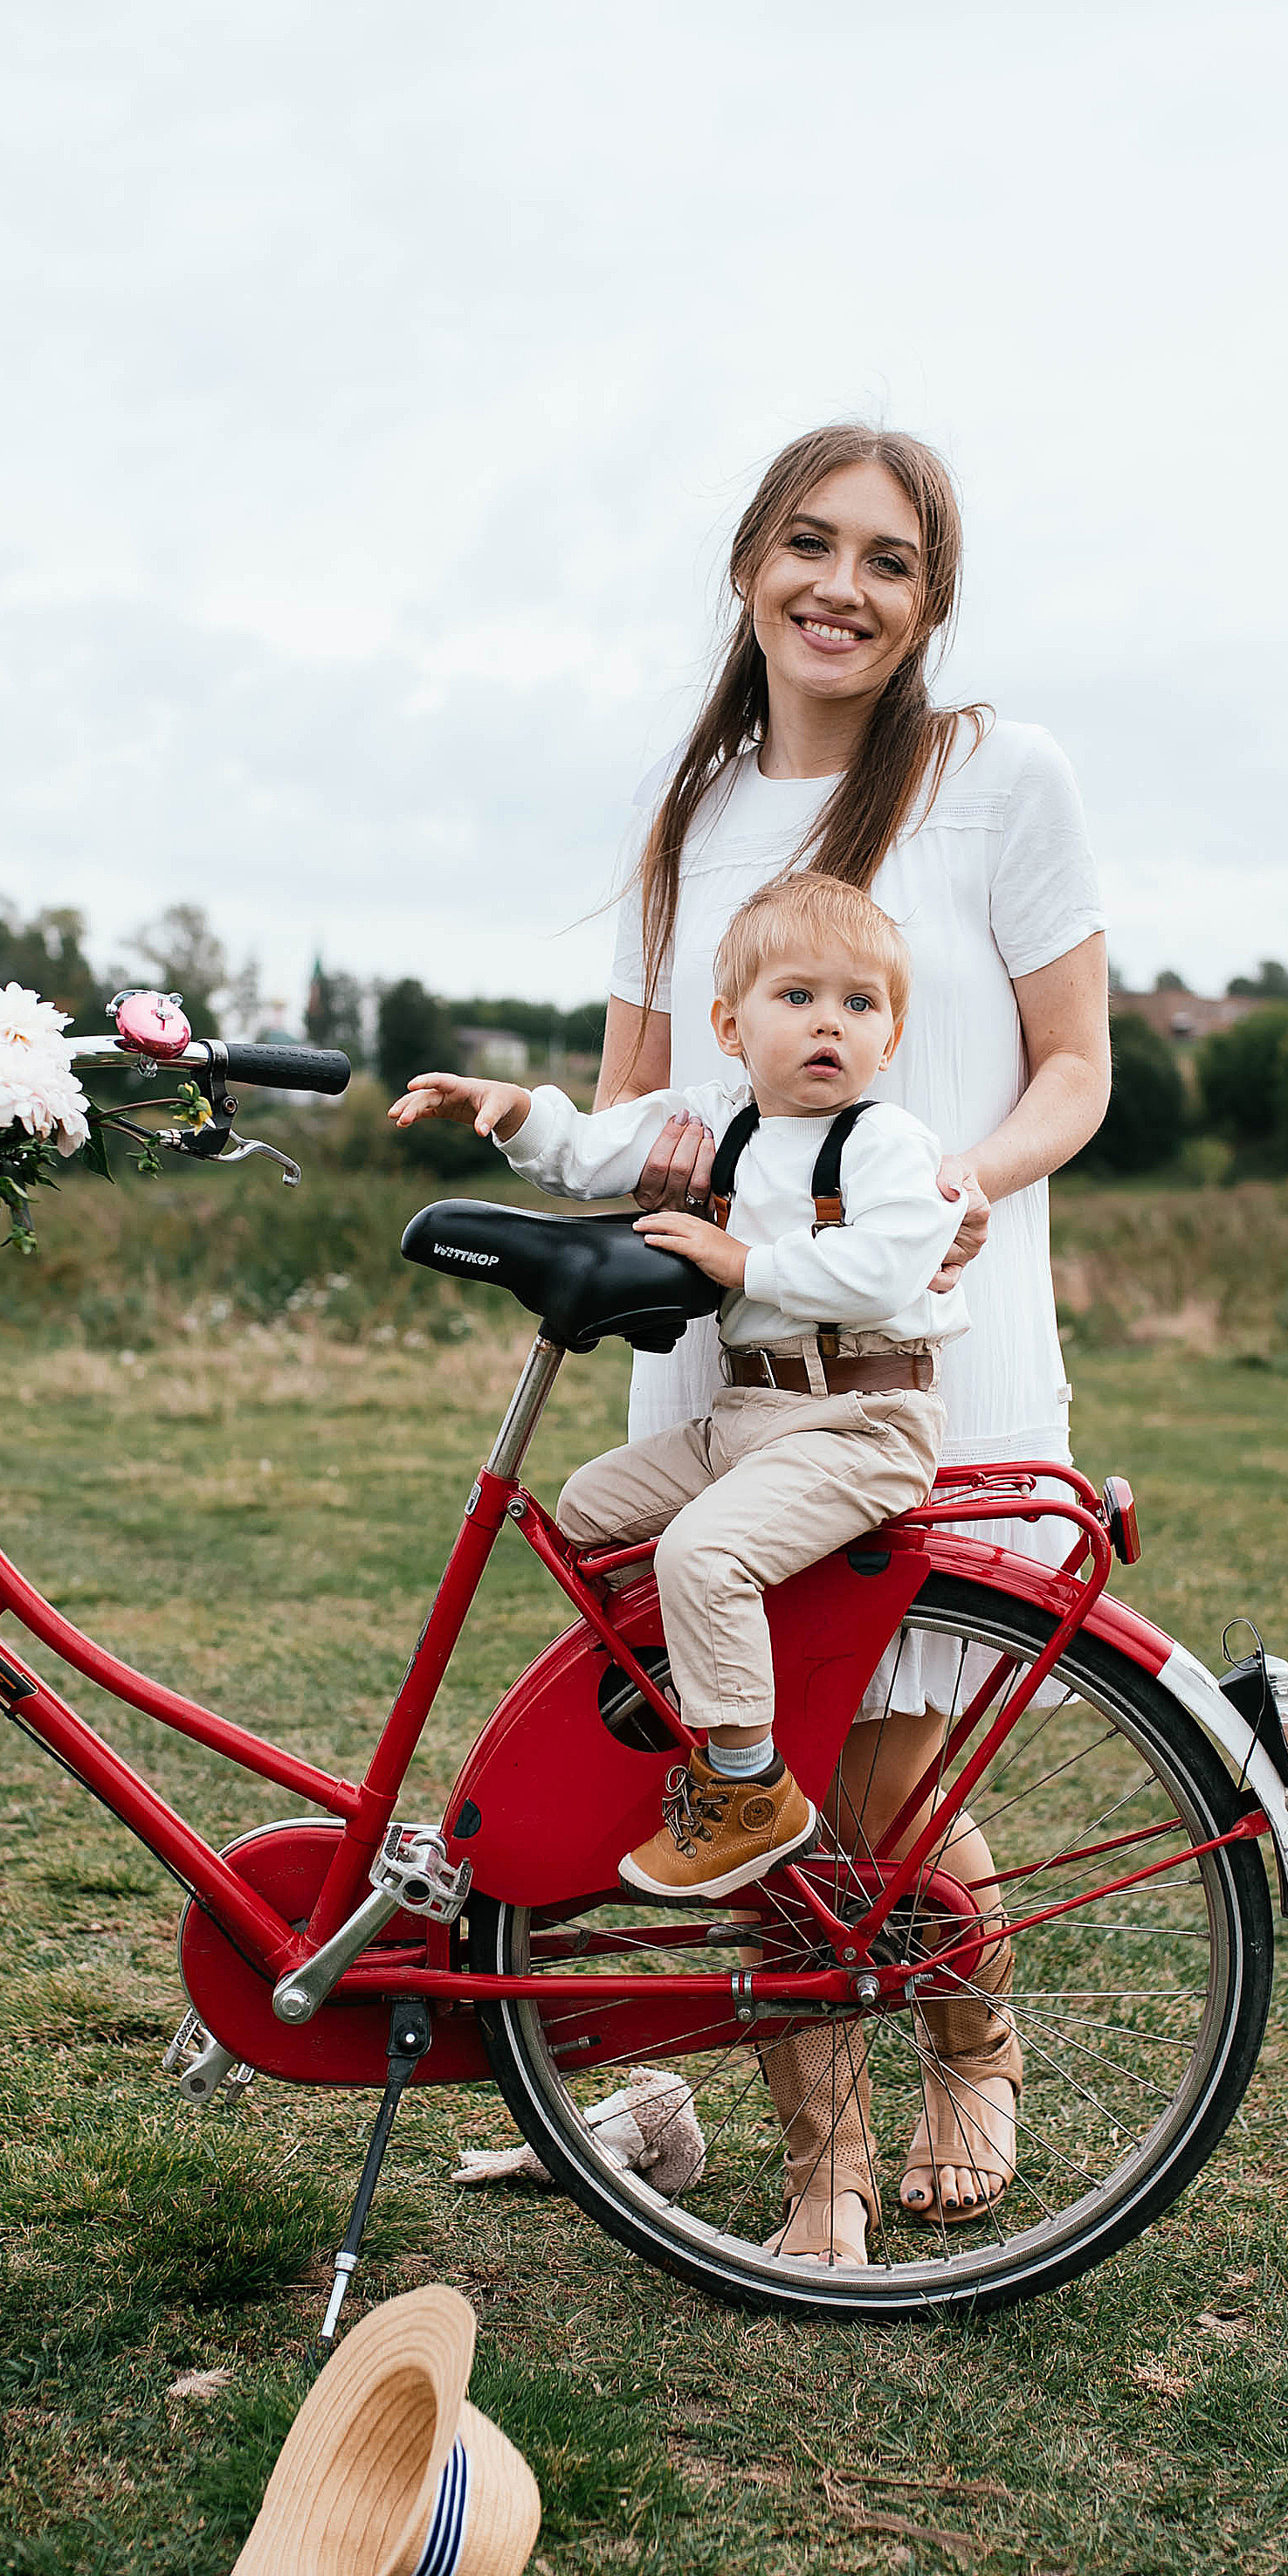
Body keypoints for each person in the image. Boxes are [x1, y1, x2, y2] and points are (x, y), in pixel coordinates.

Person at [591, 422, 1109, 2261]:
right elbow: (638, 1084)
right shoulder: (689, 813)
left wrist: (961, 1178)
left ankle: (973, 2045)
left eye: (888, 560)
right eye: (808, 545)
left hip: (923, 1335)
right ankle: (823, 2165)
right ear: (750, 566)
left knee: (887, 1768)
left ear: (929, 599)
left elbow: (1075, 1066)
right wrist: (634, 1173)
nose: (840, 588)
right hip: (727, 1349)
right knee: (752, 1757)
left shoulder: (998, 779)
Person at [394, 873, 967, 2263]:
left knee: (706, 1553)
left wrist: (740, 1256)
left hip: (864, 1421)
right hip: (752, 1416)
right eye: (797, 998)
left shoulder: (887, 1143)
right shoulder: (716, 1121)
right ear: (731, 1023)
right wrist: (506, 1109)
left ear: (890, 1036)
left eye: (860, 1005)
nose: (829, 1025)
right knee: (594, 1509)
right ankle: (685, 1717)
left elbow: (887, 1269)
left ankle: (745, 1783)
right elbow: (598, 1149)